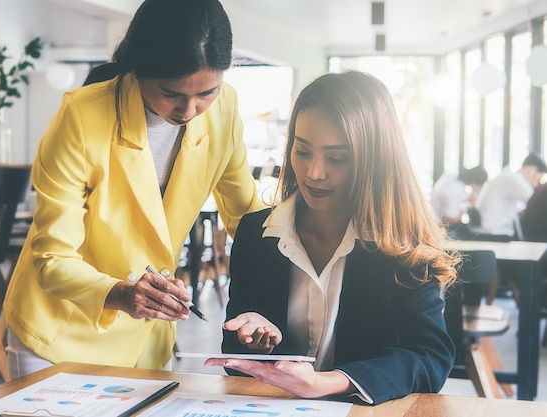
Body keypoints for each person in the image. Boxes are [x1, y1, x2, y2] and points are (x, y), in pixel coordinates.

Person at [3, 0, 264, 380]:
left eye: (207, 92)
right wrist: (123, 295)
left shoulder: (225, 109)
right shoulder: (82, 116)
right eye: (172, 93)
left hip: (145, 343)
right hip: (59, 334)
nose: (189, 110)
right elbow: (53, 257)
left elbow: (248, 216)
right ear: (139, 70)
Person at [205, 72, 459, 405]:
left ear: (373, 162)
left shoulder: (402, 244)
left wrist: (329, 382)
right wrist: (255, 341)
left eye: (337, 158)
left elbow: (429, 358)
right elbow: (236, 360)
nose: (314, 173)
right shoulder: (257, 234)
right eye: (303, 151)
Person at [474, 152, 547, 237]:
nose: (537, 183)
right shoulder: (512, 180)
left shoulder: (508, 177)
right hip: (493, 232)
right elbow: (537, 201)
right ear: (531, 170)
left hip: (489, 229)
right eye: (538, 178)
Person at [430, 166, 487, 238]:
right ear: (476, 183)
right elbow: (450, 221)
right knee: (470, 235)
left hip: (436, 219)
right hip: (440, 227)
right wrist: (468, 205)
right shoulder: (454, 190)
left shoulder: (451, 176)